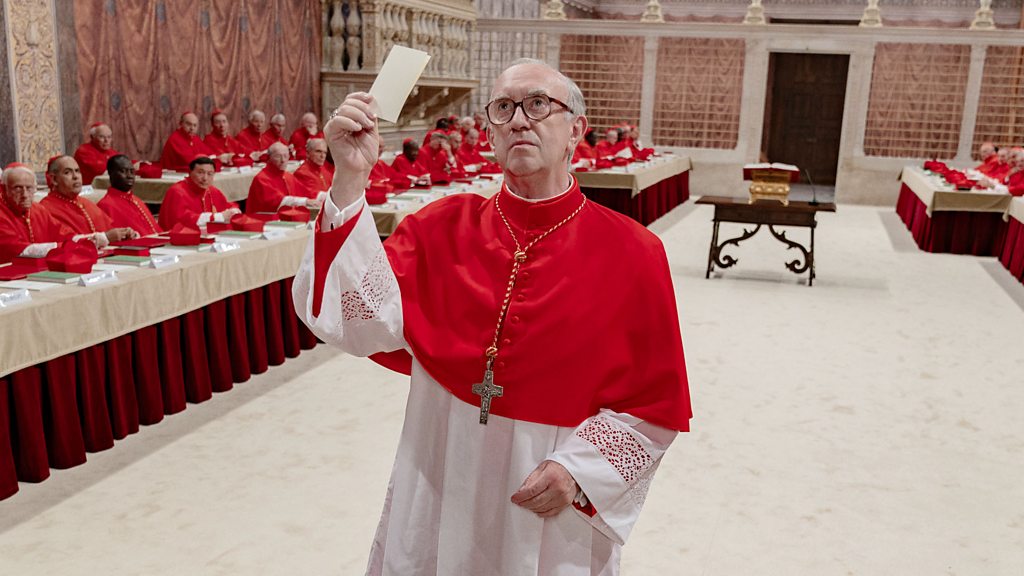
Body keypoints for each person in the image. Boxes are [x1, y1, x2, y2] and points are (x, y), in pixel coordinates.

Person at [293, 58, 690, 575]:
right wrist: (349, 178)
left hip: (546, 505)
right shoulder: (439, 229)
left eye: (538, 104)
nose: (519, 120)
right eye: (503, 108)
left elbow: (653, 405)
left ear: (576, 131)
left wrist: (579, 471)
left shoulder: (633, 252)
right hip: (437, 475)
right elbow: (353, 321)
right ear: (490, 135)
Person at [39, 156, 136, 243]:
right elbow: (66, 241)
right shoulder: (45, 209)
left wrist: (124, 234)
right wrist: (105, 238)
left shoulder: (86, 203)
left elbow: (110, 230)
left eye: (77, 171)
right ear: (54, 179)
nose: (75, 176)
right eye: (67, 172)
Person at [0, 163, 79, 263]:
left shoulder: (38, 210)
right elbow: (17, 249)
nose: (25, 195)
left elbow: (62, 233)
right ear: (4, 189)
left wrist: (87, 239)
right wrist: (64, 247)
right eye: (18, 188)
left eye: (29, 188)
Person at [157, 156, 241, 229]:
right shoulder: (177, 191)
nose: (205, 178)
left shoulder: (212, 190)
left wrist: (233, 211)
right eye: (200, 172)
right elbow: (182, 220)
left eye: (210, 174)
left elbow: (228, 205)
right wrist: (216, 217)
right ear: (190, 172)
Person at [97, 155, 162, 236]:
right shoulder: (105, 206)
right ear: (110, 173)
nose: (129, 176)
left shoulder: (137, 200)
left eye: (132, 172)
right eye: (123, 171)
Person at [245, 142, 317, 214]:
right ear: (269, 158)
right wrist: (305, 201)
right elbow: (276, 201)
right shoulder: (261, 178)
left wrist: (321, 197)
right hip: (266, 219)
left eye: (285, 156)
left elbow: (306, 192)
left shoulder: (288, 176)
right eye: (278, 156)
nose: (283, 160)